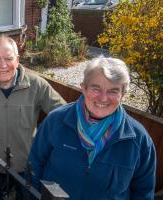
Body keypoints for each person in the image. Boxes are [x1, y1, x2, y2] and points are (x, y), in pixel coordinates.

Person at [28, 57, 156, 199]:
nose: (103, 98)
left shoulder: (138, 139)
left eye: (113, 91)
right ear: (84, 88)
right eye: (96, 88)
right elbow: (34, 168)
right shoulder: (55, 121)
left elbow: (143, 192)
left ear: (123, 94)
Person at [0, 36, 66, 199]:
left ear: (17, 60)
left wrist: (46, 142)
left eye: (8, 59)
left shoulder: (37, 84)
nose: (3, 65)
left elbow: (63, 114)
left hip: (26, 165)